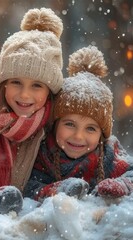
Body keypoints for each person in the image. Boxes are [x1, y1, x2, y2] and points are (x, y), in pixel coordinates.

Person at [0, 8, 64, 214]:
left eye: (37, 85)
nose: (25, 95)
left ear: (50, 90)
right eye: (16, 82)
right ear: (3, 84)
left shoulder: (56, 128)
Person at [24, 46, 133, 202]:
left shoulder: (108, 155)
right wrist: (59, 189)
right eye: (69, 124)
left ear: (102, 135)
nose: (78, 136)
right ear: (55, 125)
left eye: (90, 128)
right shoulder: (43, 153)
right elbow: (30, 187)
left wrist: (122, 184)